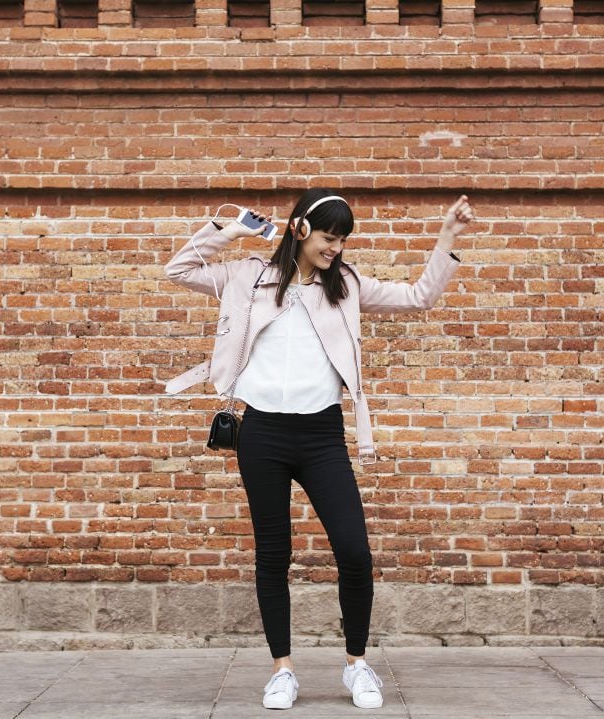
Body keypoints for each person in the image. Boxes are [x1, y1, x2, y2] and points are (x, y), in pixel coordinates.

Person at [163, 189, 474, 710]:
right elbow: (178, 269)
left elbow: (419, 297)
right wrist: (233, 231)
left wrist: (447, 238)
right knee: (273, 554)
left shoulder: (347, 287)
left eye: (344, 239)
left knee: (354, 551)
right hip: (261, 434)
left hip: (322, 436)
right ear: (302, 229)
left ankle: (357, 665)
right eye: (331, 237)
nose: (337, 248)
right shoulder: (248, 277)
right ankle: (282, 671)